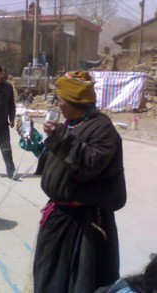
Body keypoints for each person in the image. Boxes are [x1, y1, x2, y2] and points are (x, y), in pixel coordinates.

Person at [33, 71, 127, 292]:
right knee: (49, 277)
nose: (58, 104)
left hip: (84, 225)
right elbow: (60, 160)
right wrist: (37, 143)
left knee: (78, 282)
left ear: (75, 102)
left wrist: (61, 138)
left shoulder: (103, 129)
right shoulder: (72, 124)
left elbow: (88, 165)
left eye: (61, 99)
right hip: (59, 218)